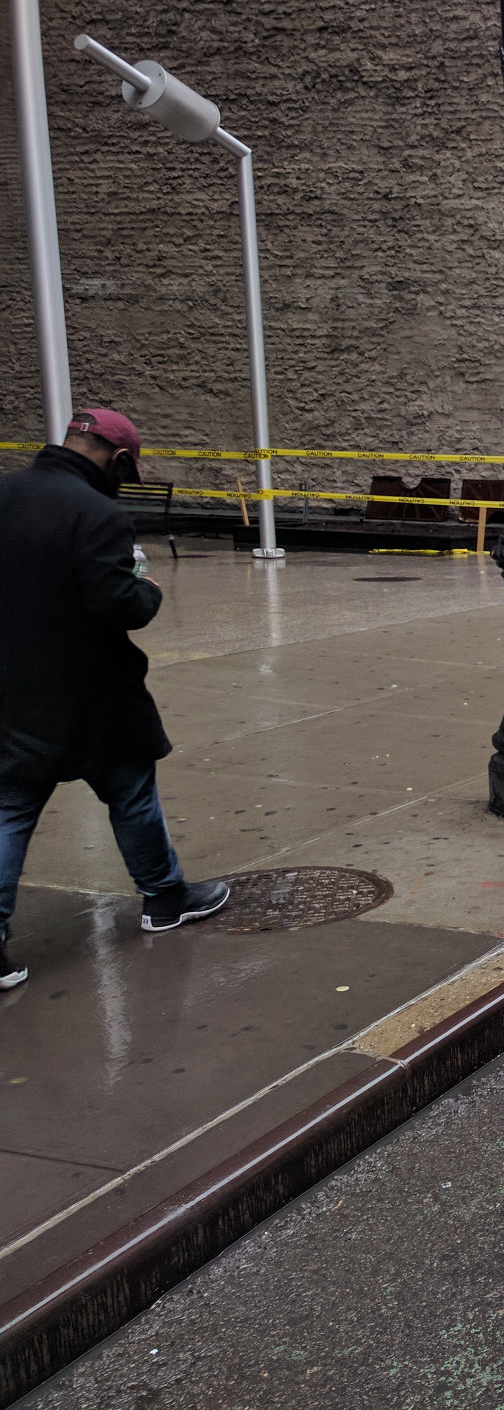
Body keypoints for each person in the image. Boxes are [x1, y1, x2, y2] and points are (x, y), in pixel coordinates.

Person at [0, 409, 229, 990]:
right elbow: (116, 605)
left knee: (10, 808)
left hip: (11, 687)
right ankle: (164, 896)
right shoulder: (98, 513)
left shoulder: (6, 492)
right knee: (131, 792)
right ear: (119, 459)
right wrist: (146, 591)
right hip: (92, 690)